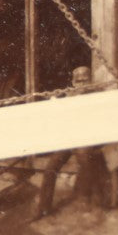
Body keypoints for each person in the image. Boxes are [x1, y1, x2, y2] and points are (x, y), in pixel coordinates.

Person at [35, 66, 94, 218]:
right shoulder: (69, 95)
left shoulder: (95, 95)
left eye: (85, 81)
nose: (81, 85)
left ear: (91, 80)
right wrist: (54, 103)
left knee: (85, 161)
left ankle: (83, 200)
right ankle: (44, 208)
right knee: (50, 168)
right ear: (73, 82)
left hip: (86, 137)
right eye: (78, 81)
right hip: (70, 138)